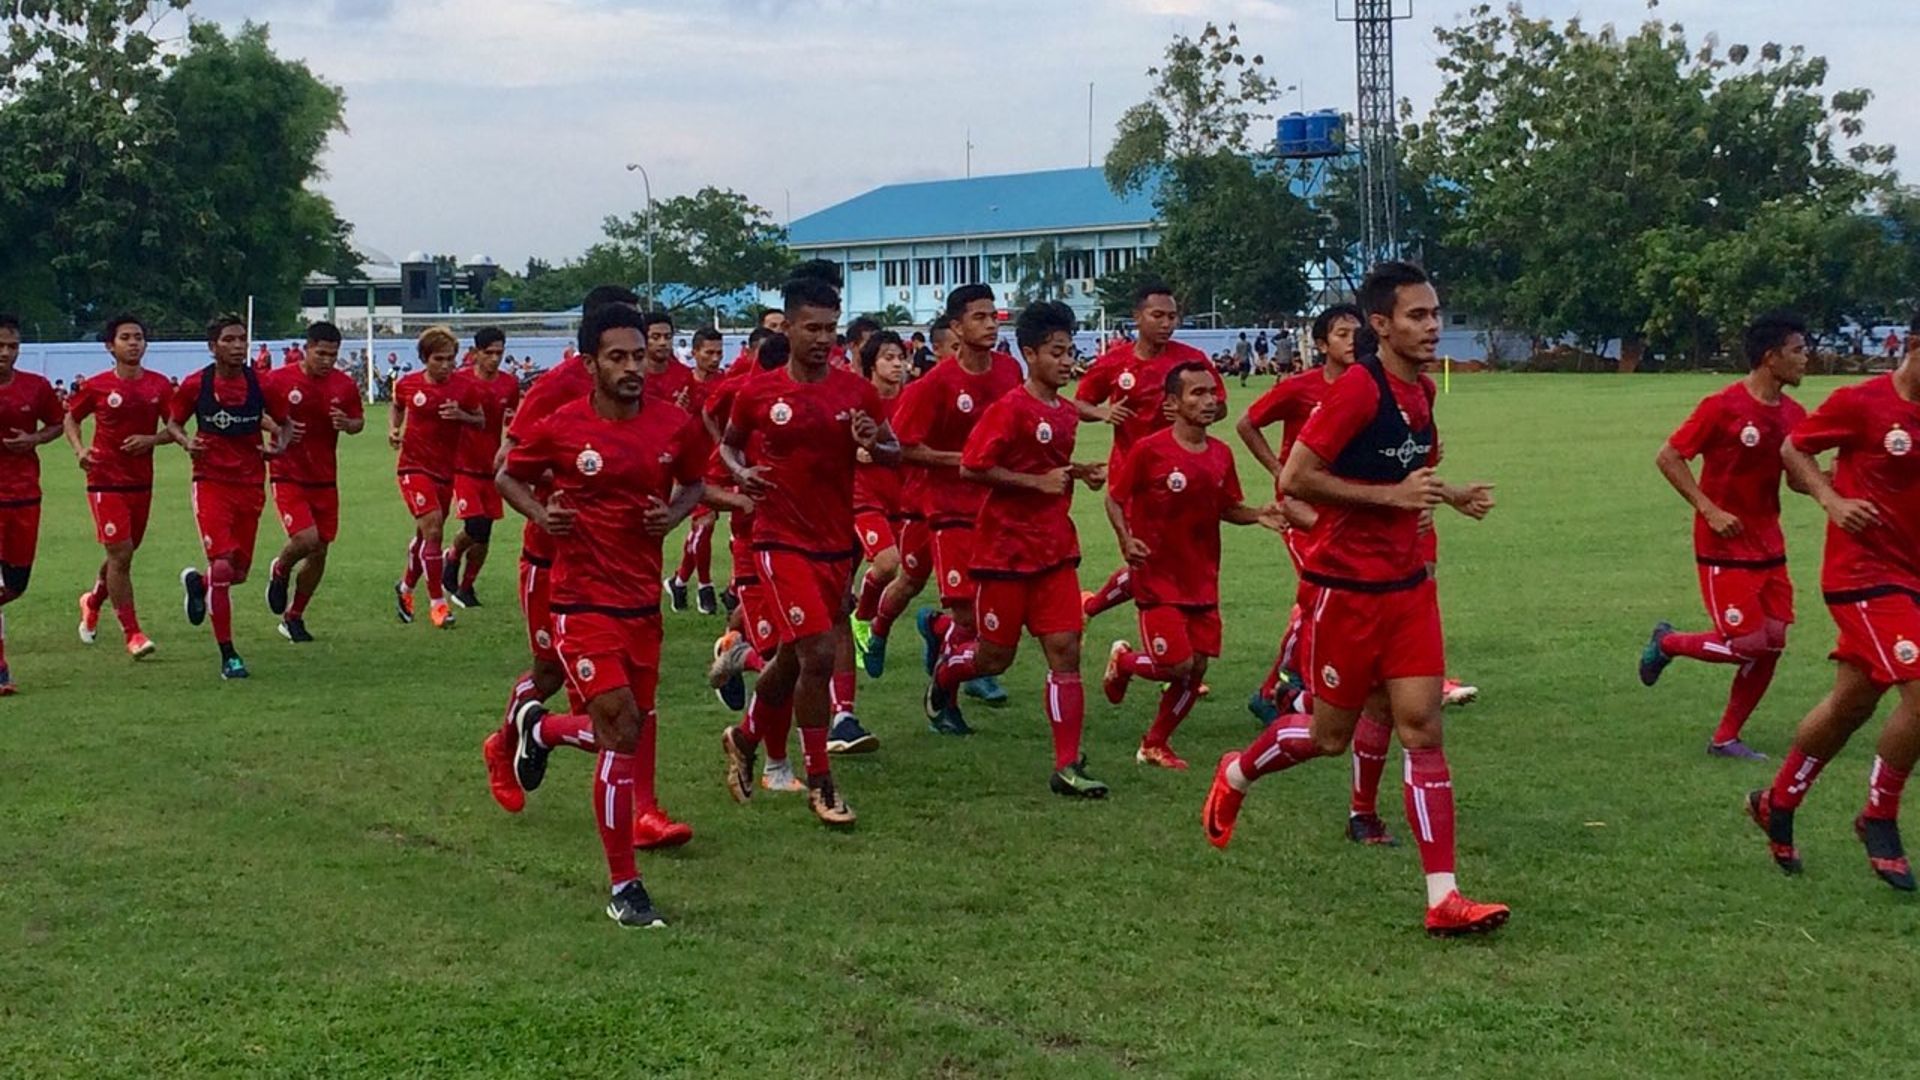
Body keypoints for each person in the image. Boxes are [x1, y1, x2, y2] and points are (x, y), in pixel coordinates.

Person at [1201, 261, 1509, 937]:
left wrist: (1450, 495)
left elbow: (1411, 469)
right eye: (1417, 316)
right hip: (1345, 591)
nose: (1433, 326)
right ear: (1381, 324)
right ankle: (1237, 771)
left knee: (1422, 728)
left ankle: (1444, 897)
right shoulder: (1355, 393)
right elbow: (1297, 477)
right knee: (1327, 737)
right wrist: (1390, 499)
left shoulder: (1422, 391)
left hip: (1408, 589)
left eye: (1436, 314)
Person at [498, 301, 709, 928]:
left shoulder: (674, 425)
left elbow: (695, 483)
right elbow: (508, 475)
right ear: (590, 363)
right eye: (618, 357)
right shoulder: (561, 426)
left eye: (639, 355)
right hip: (581, 602)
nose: (633, 367)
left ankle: (541, 729)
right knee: (619, 728)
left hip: (641, 603)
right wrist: (544, 515)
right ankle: (625, 887)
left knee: (628, 730)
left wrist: (672, 515)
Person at [718, 273, 899, 826]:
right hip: (778, 540)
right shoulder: (758, 393)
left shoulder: (855, 393)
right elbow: (728, 446)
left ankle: (745, 736)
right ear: (789, 328)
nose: (822, 339)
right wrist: (741, 472)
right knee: (819, 652)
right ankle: (821, 782)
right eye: (811, 328)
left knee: (795, 656)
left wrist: (874, 442)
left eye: (830, 329)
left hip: (834, 542)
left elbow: (892, 449)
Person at [1748, 316, 1920, 891]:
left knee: (1851, 703)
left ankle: (1777, 801)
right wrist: (1832, 499)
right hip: (1864, 575)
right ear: (1914, 347)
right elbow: (1793, 449)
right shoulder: (1861, 402)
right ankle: (1879, 815)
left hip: (1911, 579)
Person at [922, 300, 1110, 794]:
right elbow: (972, 467)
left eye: (1070, 352)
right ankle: (946, 675)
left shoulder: (1065, 413)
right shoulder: (1008, 409)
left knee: (1066, 650)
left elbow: (1047, 468)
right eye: (1056, 353)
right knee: (993, 659)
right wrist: (1036, 482)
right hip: (1003, 553)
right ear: (1029, 354)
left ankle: (1067, 765)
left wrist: (1077, 473)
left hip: (1054, 550)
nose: (1067, 362)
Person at [1640, 313, 1810, 759]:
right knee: (1747, 644)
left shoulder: (1794, 415)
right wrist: (1709, 509)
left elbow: (1797, 478)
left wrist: (1841, 484)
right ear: (1771, 357)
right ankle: (1667, 642)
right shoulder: (1722, 406)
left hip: (1769, 546)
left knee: (1773, 643)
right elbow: (1669, 456)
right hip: (1724, 546)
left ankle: (1726, 738)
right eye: (1797, 350)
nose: (1805, 359)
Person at [1103, 362, 1288, 768]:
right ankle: (1125, 662)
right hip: (1157, 576)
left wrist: (1258, 514)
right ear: (1173, 402)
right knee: (1177, 664)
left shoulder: (1221, 454)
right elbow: (1114, 498)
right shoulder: (1149, 450)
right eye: (1197, 393)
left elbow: (1227, 507)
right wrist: (1125, 538)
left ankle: (1154, 743)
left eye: (1212, 393)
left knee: (1196, 668)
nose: (1209, 401)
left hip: (1201, 578)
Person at [893, 285, 1025, 714]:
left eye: (993, 316)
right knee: (968, 613)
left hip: (998, 508)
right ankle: (946, 696)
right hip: (949, 508)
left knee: (997, 607)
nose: (990, 325)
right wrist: (965, 461)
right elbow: (905, 447)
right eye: (979, 317)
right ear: (956, 327)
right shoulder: (934, 384)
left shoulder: (1009, 371)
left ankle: (938, 631)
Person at [1076, 281, 1224, 622]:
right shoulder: (1115, 362)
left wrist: (1191, 413)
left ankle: (1092, 608)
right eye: (1158, 315)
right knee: (1151, 557)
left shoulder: (1191, 360)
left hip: (1186, 475)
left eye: (1172, 316)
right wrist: (1103, 412)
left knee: (1169, 559)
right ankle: (1166, 640)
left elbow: (1221, 407)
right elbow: (1081, 403)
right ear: (1137, 317)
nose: (1167, 323)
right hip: (1135, 479)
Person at [173, 313, 284, 679]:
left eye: (242, 339)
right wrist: (187, 442)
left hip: (250, 484)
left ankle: (199, 584)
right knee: (221, 565)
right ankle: (229, 655)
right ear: (212, 346)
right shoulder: (196, 384)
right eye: (229, 340)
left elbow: (283, 424)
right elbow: (173, 422)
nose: (238, 346)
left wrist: (279, 446)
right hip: (211, 482)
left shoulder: (261, 383)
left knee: (236, 573)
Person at [67, 313, 184, 659]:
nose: (133, 343)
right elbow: (71, 417)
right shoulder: (96, 385)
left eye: (138, 337)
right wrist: (80, 450)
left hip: (141, 482)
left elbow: (174, 428)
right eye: (126, 337)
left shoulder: (159, 386)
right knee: (121, 554)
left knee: (123, 553)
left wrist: (151, 439)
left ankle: (92, 601)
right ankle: (133, 633)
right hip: (104, 479)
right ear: (110, 346)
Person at [260, 321, 364, 643]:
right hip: (288, 472)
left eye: (333, 355)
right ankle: (281, 568)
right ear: (306, 349)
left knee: (320, 551)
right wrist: (278, 429)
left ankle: (294, 617)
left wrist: (347, 424)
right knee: (306, 539)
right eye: (321, 353)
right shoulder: (278, 379)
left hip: (324, 478)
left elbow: (358, 421)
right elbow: (255, 412)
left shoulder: (344, 385)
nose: (327, 361)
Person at [389, 325, 484, 630]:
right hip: (413, 468)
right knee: (433, 529)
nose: (445, 365)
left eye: (450, 359)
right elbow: (397, 406)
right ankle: (438, 604)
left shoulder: (464, 388)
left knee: (425, 537)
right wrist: (394, 429)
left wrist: (462, 416)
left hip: (445, 472)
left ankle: (405, 587)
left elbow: (480, 420)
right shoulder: (408, 384)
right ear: (424, 359)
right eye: (438, 359)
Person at [0, 313, 66, 693]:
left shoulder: (36, 387)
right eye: (0, 346)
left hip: (25, 495)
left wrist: (34, 439)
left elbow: (57, 423)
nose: (6, 353)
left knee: (16, 585)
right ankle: (1, 668)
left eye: (12, 346)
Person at [846, 330, 910, 715]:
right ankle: (861, 618)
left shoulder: (912, 398)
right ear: (872, 364)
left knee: (902, 572)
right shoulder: (857, 399)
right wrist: (854, 450)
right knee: (887, 563)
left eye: (900, 357)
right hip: (863, 496)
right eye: (888, 357)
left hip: (902, 497)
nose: (897, 363)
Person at [442, 327, 521, 609]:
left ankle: (466, 588)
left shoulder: (509, 384)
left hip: (492, 466)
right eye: (489, 353)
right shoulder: (459, 380)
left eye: (500, 353)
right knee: (474, 524)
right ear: (476, 353)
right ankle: (452, 555)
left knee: (484, 532)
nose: (495, 359)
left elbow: (513, 420)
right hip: (462, 465)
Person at [667, 326, 730, 616]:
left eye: (719, 353)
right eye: (709, 353)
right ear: (694, 353)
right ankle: (704, 585)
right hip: (689, 463)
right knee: (705, 523)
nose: (715, 358)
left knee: (704, 526)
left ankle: (680, 581)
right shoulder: (682, 384)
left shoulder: (726, 384)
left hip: (717, 463)